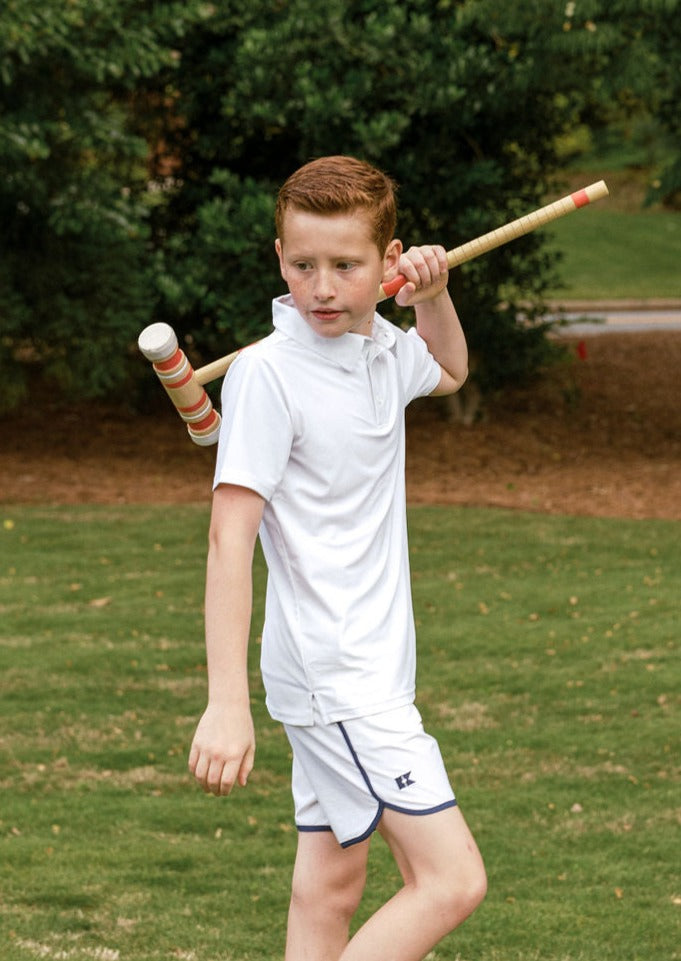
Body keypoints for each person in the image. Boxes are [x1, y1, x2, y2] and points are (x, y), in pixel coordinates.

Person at [188, 155, 487, 961]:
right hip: (337, 678)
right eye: (303, 264)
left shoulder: (384, 352)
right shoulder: (267, 376)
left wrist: (435, 298)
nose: (321, 286)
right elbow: (228, 537)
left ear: (388, 265)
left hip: (369, 667)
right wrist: (225, 701)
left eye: (345, 266)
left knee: (329, 886)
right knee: (451, 879)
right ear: (279, 256)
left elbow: (450, 367)